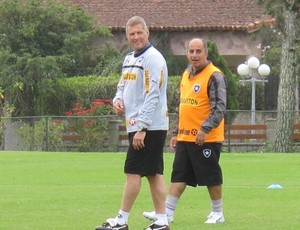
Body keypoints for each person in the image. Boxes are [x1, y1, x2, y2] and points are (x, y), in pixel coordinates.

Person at [95, 16, 170, 230]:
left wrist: (142, 128)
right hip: (137, 125)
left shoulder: (153, 58)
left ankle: (121, 221)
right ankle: (162, 221)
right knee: (154, 173)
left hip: (149, 127)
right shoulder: (129, 58)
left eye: (139, 32)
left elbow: (153, 94)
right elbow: (122, 86)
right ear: (127, 36)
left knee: (133, 172)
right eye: (132, 34)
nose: (136, 37)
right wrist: (117, 101)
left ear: (148, 33)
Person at [143, 38, 227, 224]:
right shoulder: (186, 74)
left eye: (198, 51)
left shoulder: (215, 76)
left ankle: (217, 212)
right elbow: (182, 106)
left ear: (206, 53)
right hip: (185, 137)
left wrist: (205, 129)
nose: (194, 55)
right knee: (179, 174)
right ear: (187, 53)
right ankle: (168, 212)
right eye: (191, 51)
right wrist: (176, 132)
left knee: (211, 174)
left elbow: (219, 108)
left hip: (207, 138)